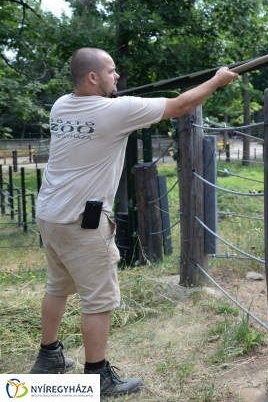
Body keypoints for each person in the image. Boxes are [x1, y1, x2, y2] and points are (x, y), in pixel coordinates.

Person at [29, 48, 238, 397]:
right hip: (82, 221)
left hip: (50, 214)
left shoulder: (61, 105)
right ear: (93, 77)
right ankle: (97, 377)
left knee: (57, 286)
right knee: (98, 300)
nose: (118, 77)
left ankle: (48, 357)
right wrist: (217, 80)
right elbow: (180, 106)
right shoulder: (116, 111)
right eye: (112, 72)